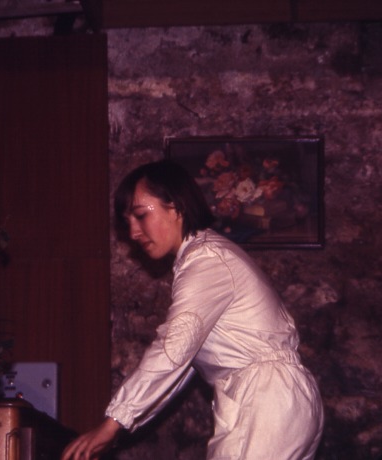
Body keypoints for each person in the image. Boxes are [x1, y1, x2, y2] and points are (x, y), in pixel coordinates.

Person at [61, 160, 323, 460]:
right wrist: (122, 424)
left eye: (141, 215)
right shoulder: (205, 256)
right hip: (277, 399)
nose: (133, 232)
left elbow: (173, 348)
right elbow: (182, 362)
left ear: (176, 207)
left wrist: (112, 422)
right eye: (127, 221)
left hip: (266, 399)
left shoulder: (207, 259)